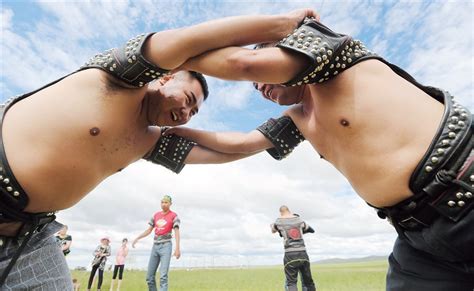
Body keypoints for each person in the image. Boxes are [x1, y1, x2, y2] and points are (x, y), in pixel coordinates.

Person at [0, 8, 317, 289]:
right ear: (166, 77)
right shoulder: (120, 74)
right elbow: (193, 40)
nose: (186, 112)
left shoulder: (148, 141)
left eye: (194, 112)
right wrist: (284, 24)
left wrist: (296, 121)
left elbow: (237, 148)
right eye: (188, 100)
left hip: (30, 238)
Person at [165, 17, 474, 290]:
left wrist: (169, 57)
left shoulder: (337, 52)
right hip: (417, 237)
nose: (258, 86)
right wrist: (176, 133)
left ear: (285, 46)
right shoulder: (300, 118)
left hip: (466, 191)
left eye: (261, 75)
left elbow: (243, 64)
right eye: (255, 85)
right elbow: (241, 143)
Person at [132, 195, 180, 291]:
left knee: (163, 277)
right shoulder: (156, 215)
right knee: (149, 277)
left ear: (170, 204)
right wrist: (138, 238)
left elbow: (176, 232)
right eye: (162, 202)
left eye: (166, 202)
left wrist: (177, 248)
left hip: (166, 246)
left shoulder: (174, 216)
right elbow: (149, 230)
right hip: (155, 246)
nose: (164, 204)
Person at [271, 206, 316, 291]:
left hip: (290, 255)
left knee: (291, 283)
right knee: (308, 282)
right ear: (289, 211)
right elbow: (311, 230)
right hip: (303, 253)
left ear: (281, 212)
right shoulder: (299, 220)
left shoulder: (278, 221)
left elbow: (273, 230)